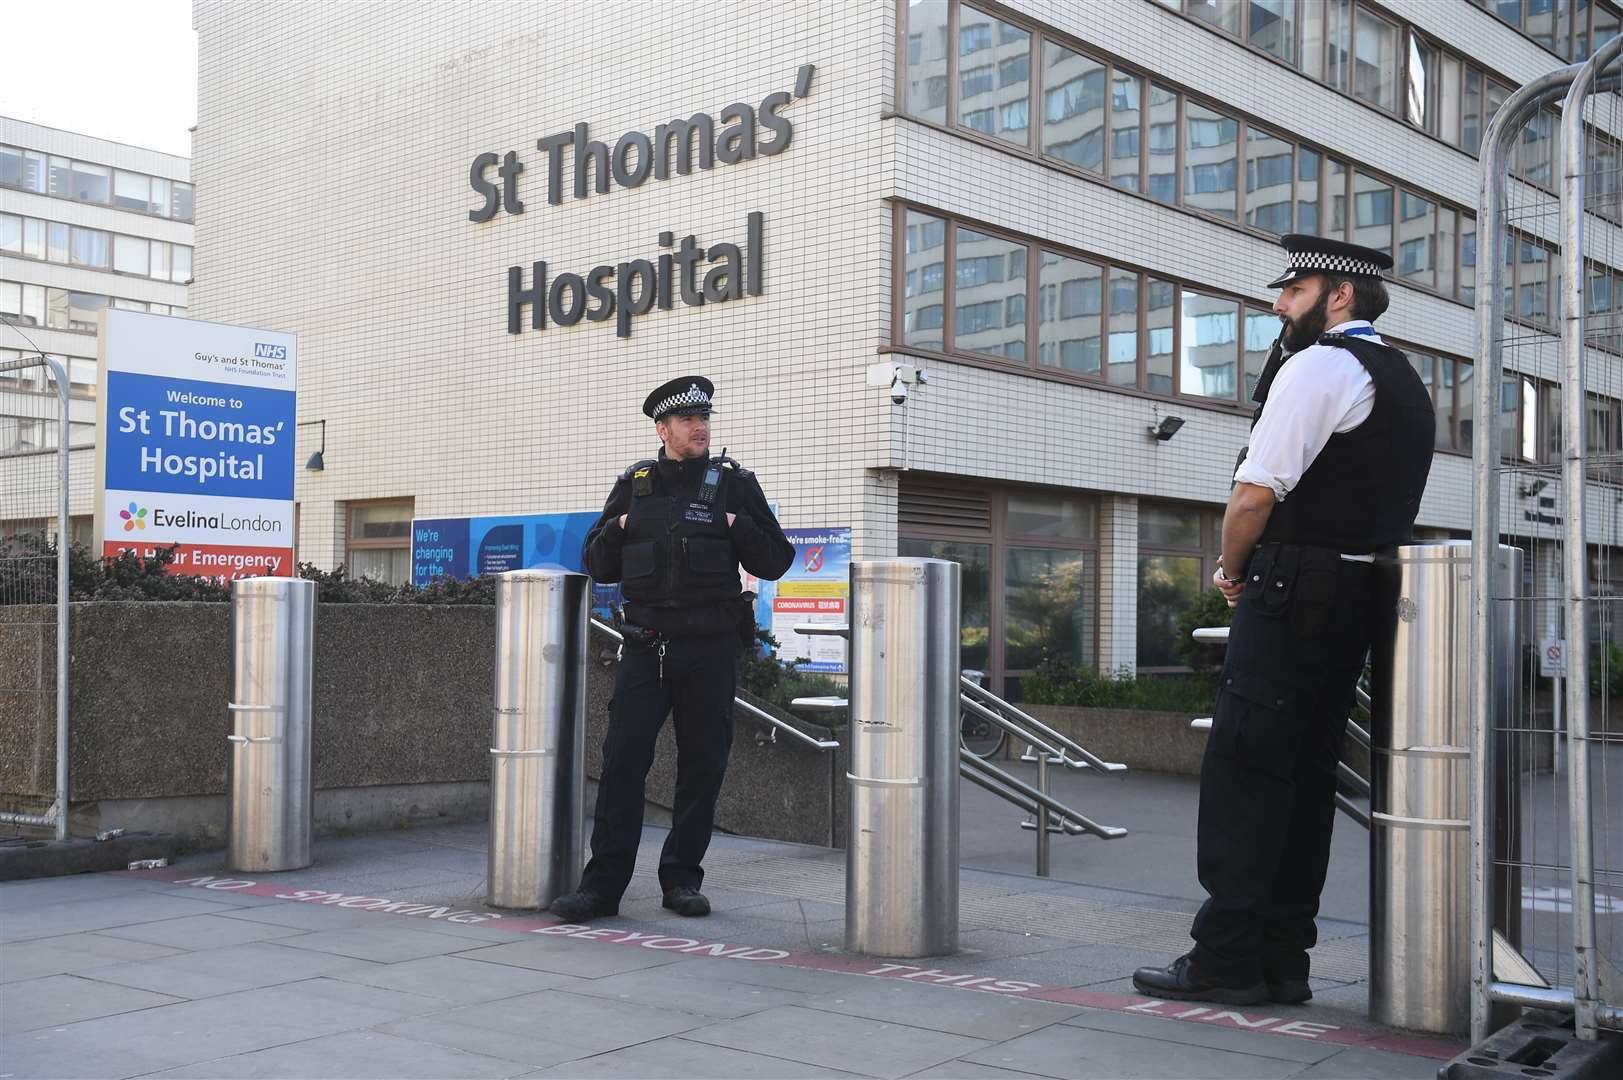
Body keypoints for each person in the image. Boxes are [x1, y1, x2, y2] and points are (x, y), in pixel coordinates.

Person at [1132, 235, 1435, 1005]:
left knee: (1244, 772)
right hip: (1359, 595)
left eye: (1292, 291)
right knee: (1302, 784)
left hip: (1294, 585)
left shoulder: (1318, 366)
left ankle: (1225, 961)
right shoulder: (1401, 376)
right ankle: (1280, 962)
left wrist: (1230, 570)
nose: (1276, 304)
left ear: (1338, 296)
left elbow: (1253, 495)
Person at [550, 376, 795, 921]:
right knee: (622, 765)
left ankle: (682, 879)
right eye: (687, 420)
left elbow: (777, 559)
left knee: (702, 767)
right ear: (662, 429)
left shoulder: (733, 484)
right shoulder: (635, 486)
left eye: (704, 418)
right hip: (646, 650)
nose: (700, 427)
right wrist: (618, 526)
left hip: (710, 651)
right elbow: (596, 562)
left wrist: (736, 524)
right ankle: (602, 888)